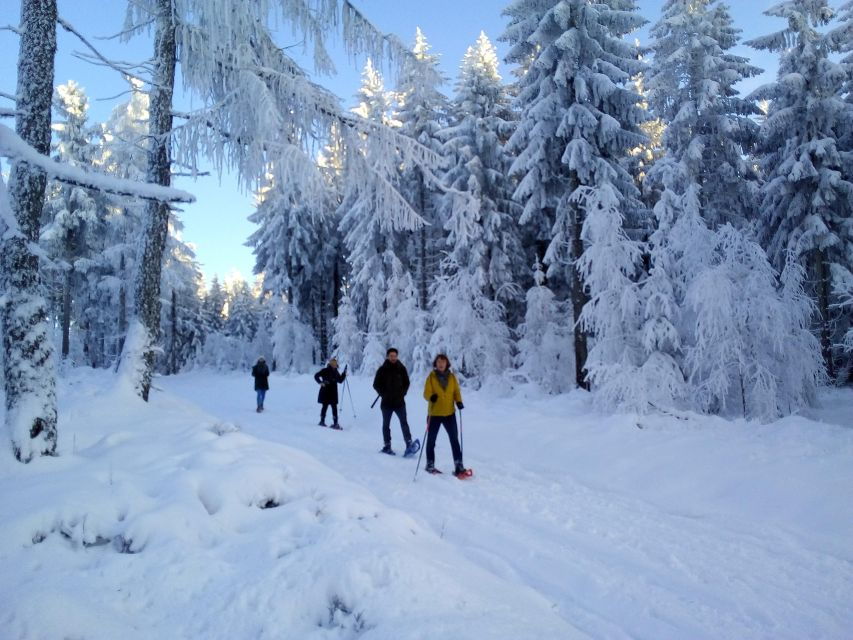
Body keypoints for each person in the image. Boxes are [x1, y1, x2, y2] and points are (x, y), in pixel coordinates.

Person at [422, 354, 466, 476]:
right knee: (431, 440)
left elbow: (456, 391)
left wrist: (459, 401)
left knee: (454, 440)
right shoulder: (431, 377)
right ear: (435, 364)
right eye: (439, 362)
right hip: (434, 414)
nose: (441, 364)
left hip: (449, 414)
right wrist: (431, 397)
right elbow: (426, 393)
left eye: (443, 362)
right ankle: (430, 465)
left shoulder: (452, 377)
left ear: (447, 364)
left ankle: (459, 465)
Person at [373, 347, 417, 455]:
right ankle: (387, 446)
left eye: (395, 356)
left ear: (397, 356)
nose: (393, 358)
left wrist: (403, 393)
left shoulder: (401, 368)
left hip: (399, 402)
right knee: (386, 425)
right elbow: (375, 384)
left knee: (404, 423)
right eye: (391, 356)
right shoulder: (382, 369)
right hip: (386, 403)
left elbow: (407, 382)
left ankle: (409, 444)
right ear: (387, 357)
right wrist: (384, 393)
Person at [314, 358, 347, 429]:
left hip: (333, 392)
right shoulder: (325, 370)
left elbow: (340, 380)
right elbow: (316, 376)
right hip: (325, 391)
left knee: (334, 408)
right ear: (331, 364)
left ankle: (335, 424)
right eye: (334, 364)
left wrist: (344, 374)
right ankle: (322, 421)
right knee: (325, 406)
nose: (336, 365)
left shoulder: (336, 371)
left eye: (336, 364)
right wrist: (320, 382)